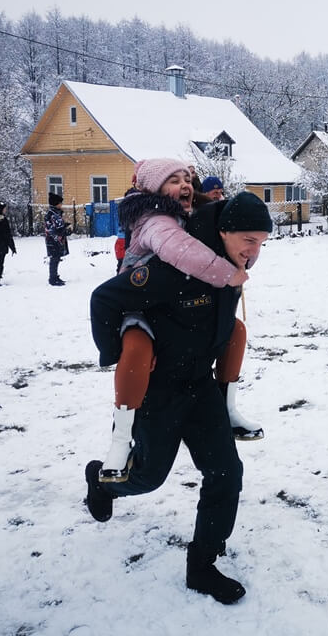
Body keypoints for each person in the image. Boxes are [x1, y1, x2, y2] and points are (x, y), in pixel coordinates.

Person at [85, 191, 273, 605]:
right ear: (223, 231)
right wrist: (123, 355)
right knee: (148, 479)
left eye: (261, 242)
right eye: (248, 239)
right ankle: (102, 483)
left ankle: (202, 565)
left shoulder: (229, 267)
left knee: (226, 473)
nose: (254, 250)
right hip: (159, 392)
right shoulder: (172, 269)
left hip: (201, 387)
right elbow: (104, 299)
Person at [99, 158, 254, 485]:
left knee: (236, 331)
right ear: (155, 189)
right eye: (173, 180)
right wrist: (228, 275)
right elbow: (180, 251)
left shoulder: (186, 213)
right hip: (140, 304)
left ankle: (227, 406)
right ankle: (120, 438)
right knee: (139, 350)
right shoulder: (155, 220)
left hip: (177, 308)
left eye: (187, 178)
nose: (184, 185)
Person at [44, 193, 71, 286]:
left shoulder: (56, 213)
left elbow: (58, 226)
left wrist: (64, 227)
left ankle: (55, 276)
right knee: (54, 259)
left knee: (56, 258)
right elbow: (52, 229)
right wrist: (63, 229)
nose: (61, 205)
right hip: (53, 240)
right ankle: (52, 278)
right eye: (60, 203)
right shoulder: (51, 214)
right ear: (56, 204)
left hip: (57, 240)